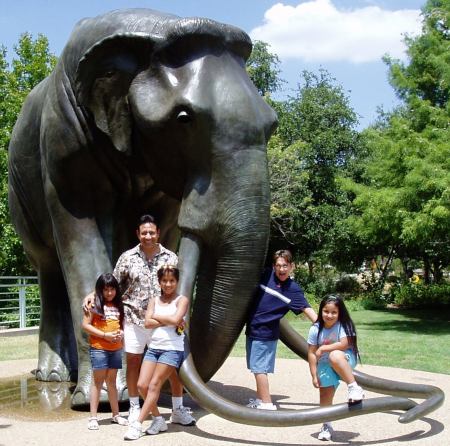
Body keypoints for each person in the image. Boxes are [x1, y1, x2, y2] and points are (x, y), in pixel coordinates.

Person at [83, 214, 195, 426]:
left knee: (172, 366)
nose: (148, 236)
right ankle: (135, 406)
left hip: (163, 321)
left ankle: (178, 408)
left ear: (158, 233)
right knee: (133, 362)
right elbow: (113, 283)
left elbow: (176, 287)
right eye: (144, 232)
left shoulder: (170, 257)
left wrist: (179, 317)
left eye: (151, 232)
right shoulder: (127, 257)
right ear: (138, 234)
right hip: (134, 318)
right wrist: (92, 294)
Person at [245, 249, 317, 410]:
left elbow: (306, 308)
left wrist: (324, 327)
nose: (281, 269)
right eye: (278, 265)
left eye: (285, 266)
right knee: (255, 367)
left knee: (259, 368)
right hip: (253, 329)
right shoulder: (267, 275)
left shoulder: (293, 289)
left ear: (291, 266)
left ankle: (267, 402)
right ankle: (260, 399)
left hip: (266, 333)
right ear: (273, 266)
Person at [124, 265, 189, 439]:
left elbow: (175, 319)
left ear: (177, 281)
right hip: (153, 348)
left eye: (172, 281)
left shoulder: (182, 300)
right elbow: (147, 323)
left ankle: (137, 424)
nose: (168, 284)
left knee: (154, 385)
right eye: (164, 281)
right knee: (141, 385)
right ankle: (159, 419)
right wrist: (170, 320)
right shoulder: (154, 300)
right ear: (159, 282)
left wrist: (158, 318)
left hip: (172, 349)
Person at [307, 295, 364, 441]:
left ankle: (353, 387)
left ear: (340, 313)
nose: (329, 315)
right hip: (325, 363)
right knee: (324, 395)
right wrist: (314, 374)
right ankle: (326, 425)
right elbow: (312, 353)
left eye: (334, 312)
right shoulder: (315, 329)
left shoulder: (344, 325)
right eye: (326, 311)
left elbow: (344, 344)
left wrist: (324, 348)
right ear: (321, 311)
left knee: (335, 355)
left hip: (344, 358)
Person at [82, 273, 128, 430]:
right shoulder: (93, 304)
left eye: (112, 289)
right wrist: (104, 336)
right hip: (99, 349)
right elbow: (85, 325)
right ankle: (93, 417)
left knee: (112, 382)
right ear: (100, 290)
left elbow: (120, 325)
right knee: (97, 382)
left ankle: (116, 415)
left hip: (115, 349)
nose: (109, 293)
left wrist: (121, 333)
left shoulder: (118, 306)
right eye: (105, 290)